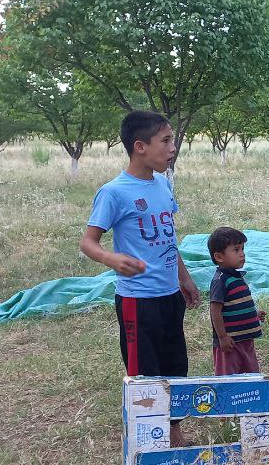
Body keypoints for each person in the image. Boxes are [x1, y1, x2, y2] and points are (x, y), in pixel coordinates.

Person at [80, 110, 200, 447]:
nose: (173, 147)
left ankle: (174, 432)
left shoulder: (163, 183)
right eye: (165, 140)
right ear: (140, 147)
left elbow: (168, 238)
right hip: (138, 301)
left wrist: (184, 278)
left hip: (169, 296)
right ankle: (149, 441)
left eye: (173, 139)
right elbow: (88, 242)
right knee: (145, 373)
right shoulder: (114, 192)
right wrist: (110, 257)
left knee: (176, 365)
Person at [207, 227, 266, 375]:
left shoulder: (236, 277)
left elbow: (236, 303)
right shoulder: (221, 280)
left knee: (251, 374)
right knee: (229, 378)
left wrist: (254, 314)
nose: (242, 254)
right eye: (236, 250)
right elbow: (215, 310)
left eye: (242, 249)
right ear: (219, 257)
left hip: (245, 339)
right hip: (230, 342)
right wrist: (222, 337)